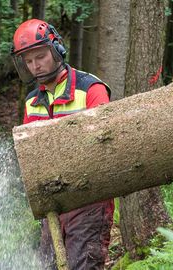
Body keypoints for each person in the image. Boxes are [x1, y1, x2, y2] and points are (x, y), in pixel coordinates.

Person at [11, 19, 114, 270]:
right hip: (53, 205)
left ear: (56, 49)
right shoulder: (32, 102)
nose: (36, 66)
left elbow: (106, 144)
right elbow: (30, 156)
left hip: (90, 199)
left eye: (40, 57)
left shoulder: (90, 89)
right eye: (29, 61)